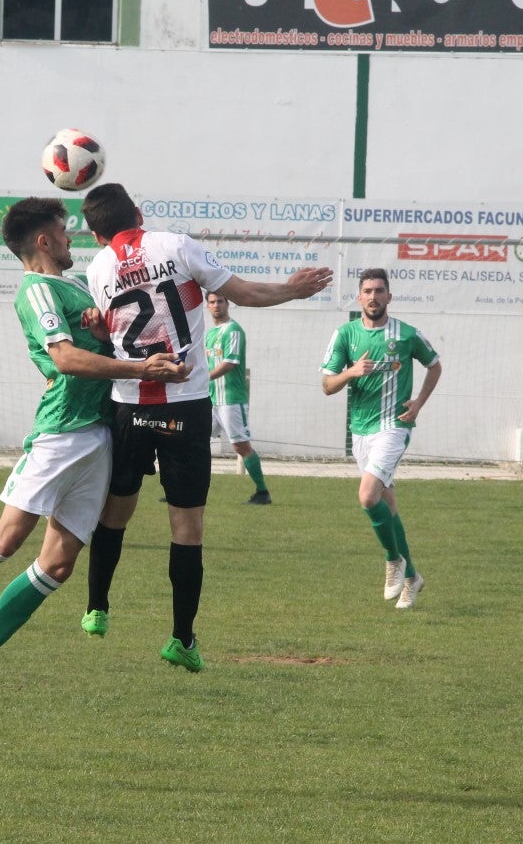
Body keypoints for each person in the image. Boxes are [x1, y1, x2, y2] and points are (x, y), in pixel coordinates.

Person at [0, 197, 188, 718]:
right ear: (43, 242)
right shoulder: (37, 289)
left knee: (59, 565)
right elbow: (63, 359)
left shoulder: (81, 285)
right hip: (61, 432)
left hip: (101, 437)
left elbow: (102, 337)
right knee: (6, 540)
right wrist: (141, 371)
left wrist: (103, 325)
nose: (72, 240)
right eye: (64, 232)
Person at [78, 182, 333, 670]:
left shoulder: (97, 268)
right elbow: (244, 293)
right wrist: (292, 289)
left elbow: (113, 331)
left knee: (115, 512)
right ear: (138, 211)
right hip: (185, 405)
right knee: (187, 528)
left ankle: (96, 607)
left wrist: (98, 329)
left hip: (128, 403)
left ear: (94, 234)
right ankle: (181, 639)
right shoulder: (175, 245)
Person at [321, 268, 441, 610]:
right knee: (387, 506)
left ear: (389, 296)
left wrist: (418, 403)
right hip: (361, 431)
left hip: (394, 426)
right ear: (359, 297)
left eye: (379, 290)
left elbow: (434, 365)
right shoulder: (344, 335)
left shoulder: (405, 335)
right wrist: (351, 372)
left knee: (367, 495)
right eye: (367, 291)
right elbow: (327, 386)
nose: (373, 296)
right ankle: (412, 578)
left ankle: (393, 562)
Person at [205, 291, 271, 505]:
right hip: (211, 398)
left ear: (228, 303)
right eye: (212, 302)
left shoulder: (233, 330)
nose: (216, 306)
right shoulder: (209, 334)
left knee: (241, 446)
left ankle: (262, 492)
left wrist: (203, 378)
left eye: (220, 301)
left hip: (232, 399)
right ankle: (186, 490)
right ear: (207, 306)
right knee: (195, 442)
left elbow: (230, 362)